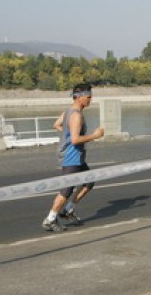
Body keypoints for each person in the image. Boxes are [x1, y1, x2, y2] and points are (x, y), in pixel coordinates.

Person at [41, 83, 104, 232]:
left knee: (89, 182)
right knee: (66, 190)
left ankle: (68, 210)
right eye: (89, 97)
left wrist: (66, 135)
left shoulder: (69, 111)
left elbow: (56, 124)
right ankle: (50, 219)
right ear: (80, 97)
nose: (91, 100)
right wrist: (94, 136)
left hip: (76, 156)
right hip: (71, 157)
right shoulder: (76, 115)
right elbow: (75, 140)